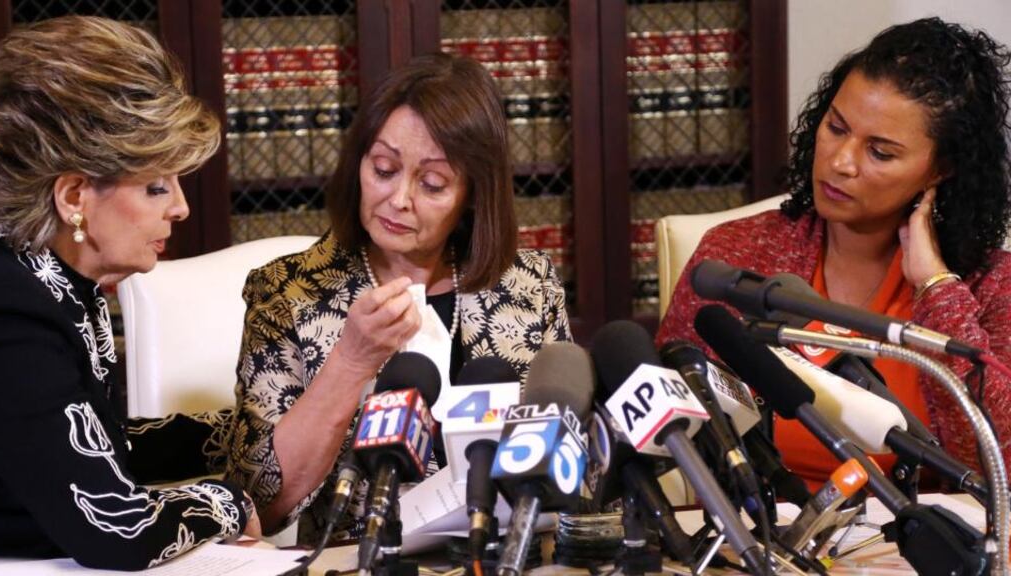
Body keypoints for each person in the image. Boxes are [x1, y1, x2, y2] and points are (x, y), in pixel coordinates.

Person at [225, 53, 571, 542]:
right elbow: (258, 500)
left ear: (473, 193)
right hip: (358, 559)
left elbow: (575, 465)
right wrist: (350, 362)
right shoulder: (286, 292)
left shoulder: (529, 286)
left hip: (509, 553)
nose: (399, 198)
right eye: (384, 169)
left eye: (432, 184)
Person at [656, 17, 1011, 487]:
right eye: (836, 127)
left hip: (916, 545)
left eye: (880, 153)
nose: (841, 161)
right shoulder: (737, 253)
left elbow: (997, 456)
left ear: (939, 170)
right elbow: (668, 418)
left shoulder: (989, 284)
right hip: (761, 538)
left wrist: (934, 286)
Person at [0, 16, 259, 569]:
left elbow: (96, 444)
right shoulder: (7, 308)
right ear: (74, 196)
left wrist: (239, 433)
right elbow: (116, 526)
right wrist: (230, 502)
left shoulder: (51, 281)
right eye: (156, 186)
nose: (180, 208)